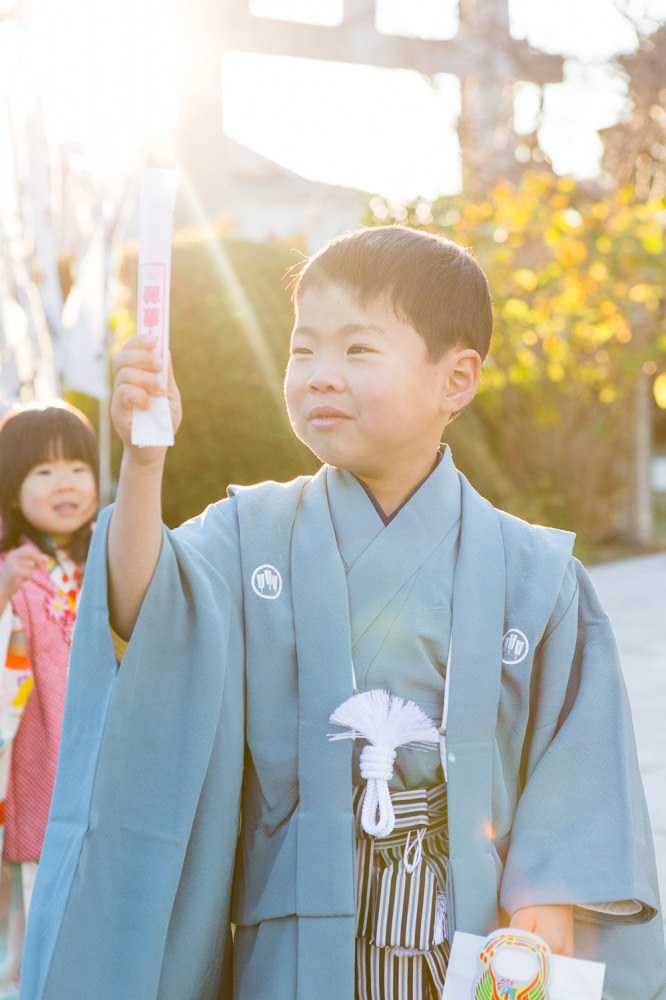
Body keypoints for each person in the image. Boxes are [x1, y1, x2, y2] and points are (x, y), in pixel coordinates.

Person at [21, 227, 666, 1000]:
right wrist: (145, 460)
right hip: (291, 943)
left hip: (472, 939)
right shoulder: (247, 536)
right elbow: (145, 615)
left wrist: (542, 908)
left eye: (358, 351)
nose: (320, 376)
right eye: (303, 352)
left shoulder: (536, 574)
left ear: (456, 379)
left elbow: (577, 767)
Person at [0, 402, 98, 985]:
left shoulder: (113, 557)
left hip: (100, 749)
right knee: (39, 898)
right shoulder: (15, 567)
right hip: (39, 750)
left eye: (76, 467)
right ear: (12, 491)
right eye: (43, 471)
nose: (64, 482)